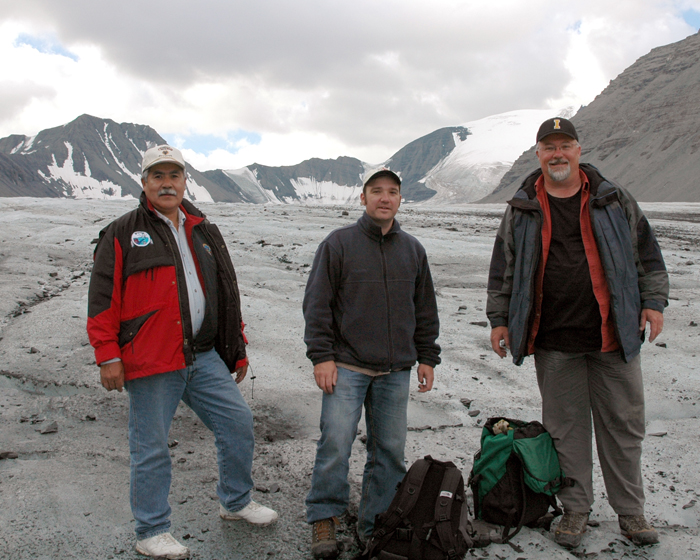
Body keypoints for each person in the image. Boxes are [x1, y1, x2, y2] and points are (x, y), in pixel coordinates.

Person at [87, 145, 277, 559]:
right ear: (144, 183)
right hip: (153, 358)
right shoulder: (122, 233)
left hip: (203, 353)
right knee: (151, 445)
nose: (167, 183)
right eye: (157, 176)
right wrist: (108, 355)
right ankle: (151, 529)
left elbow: (225, 290)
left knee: (237, 422)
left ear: (185, 181)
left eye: (174, 175)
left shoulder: (203, 228)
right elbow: (103, 300)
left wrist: (236, 348)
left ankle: (236, 501)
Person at [486, 118, 669, 549]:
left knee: (623, 425)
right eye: (549, 148)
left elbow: (647, 254)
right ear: (538, 155)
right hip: (553, 339)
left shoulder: (612, 198)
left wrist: (653, 303)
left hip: (613, 335)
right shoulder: (522, 207)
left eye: (565, 145)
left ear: (579, 150)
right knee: (565, 429)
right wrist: (498, 319)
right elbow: (503, 270)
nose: (558, 155)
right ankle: (576, 510)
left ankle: (630, 511)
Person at [303, 168, 441, 558]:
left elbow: (424, 309)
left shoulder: (413, 250)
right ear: (362, 199)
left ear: (400, 200)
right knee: (335, 443)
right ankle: (324, 518)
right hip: (346, 367)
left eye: (392, 192)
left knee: (389, 452)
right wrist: (322, 357)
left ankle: (376, 523)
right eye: (376, 191)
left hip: (396, 371)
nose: (385, 198)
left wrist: (427, 356)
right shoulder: (339, 244)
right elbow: (317, 305)